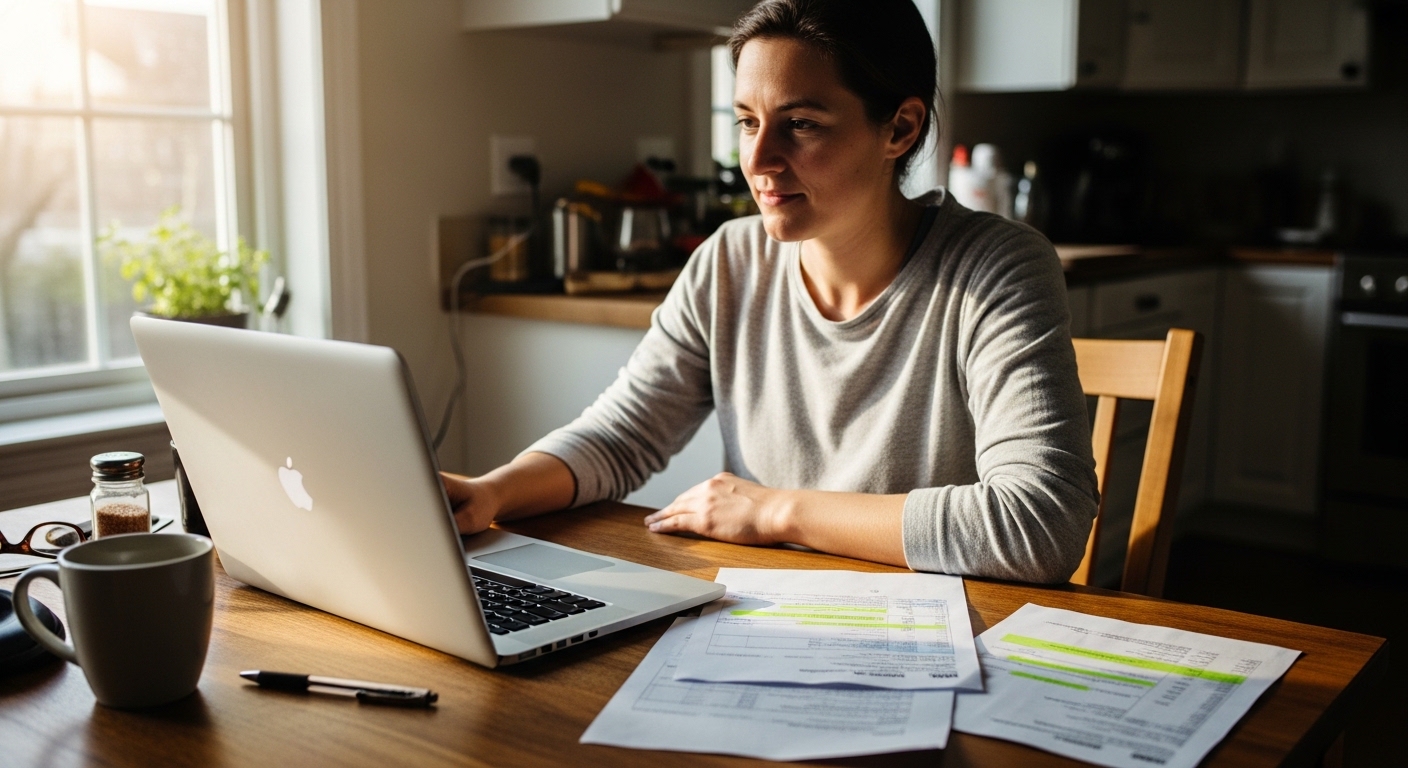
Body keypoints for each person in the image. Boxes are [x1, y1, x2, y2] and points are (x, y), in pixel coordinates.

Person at [442, 0, 1098, 584]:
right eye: (748, 121)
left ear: (898, 129)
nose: (757, 162)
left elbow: (1041, 523)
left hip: (933, 637)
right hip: (758, 617)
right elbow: (622, 436)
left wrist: (774, 510)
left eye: (802, 124)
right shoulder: (729, 260)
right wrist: (493, 492)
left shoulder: (998, 268)